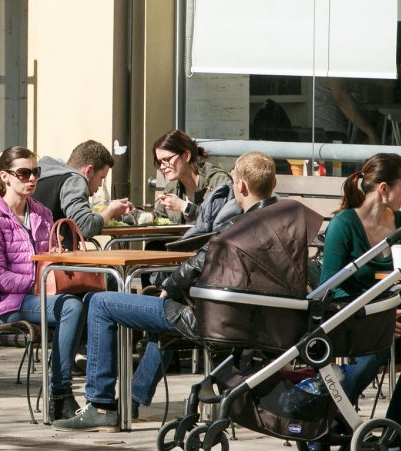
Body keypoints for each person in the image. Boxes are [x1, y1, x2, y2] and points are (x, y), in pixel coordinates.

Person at [53, 152, 277, 431]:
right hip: (256, 322)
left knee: (100, 302)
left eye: (233, 183)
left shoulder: (236, 227)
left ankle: (101, 406)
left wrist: (168, 287)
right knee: (158, 322)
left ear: (241, 187)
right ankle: (133, 398)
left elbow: (197, 264)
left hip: (211, 320)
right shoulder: (284, 222)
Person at [0, 146, 85, 420]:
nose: (31, 178)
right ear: (5, 177)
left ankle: (101, 397)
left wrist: (58, 257)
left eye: (35, 172)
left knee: (96, 302)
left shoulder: (42, 213)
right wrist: (37, 282)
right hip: (7, 302)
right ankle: (60, 393)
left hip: (43, 294)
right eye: (23, 173)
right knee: (72, 308)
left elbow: (49, 256)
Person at [319, 153, 401, 404]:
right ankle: (333, 413)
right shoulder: (344, 225)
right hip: (357, 320)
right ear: (384, 189)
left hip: (399, 321)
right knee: (377, 342)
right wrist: (377, 317)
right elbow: (330, 286)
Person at [32, 140, 134, 245]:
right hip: (55, 257)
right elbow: (86, 227)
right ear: (88, 171)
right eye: (101, 178)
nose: (100, 185)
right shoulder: (74, 180)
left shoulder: (44, 175)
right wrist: (110, 211)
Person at [152, 130, 231, 225]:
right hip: (182, 239)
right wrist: (135, 214)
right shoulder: (172, 188)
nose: (162, 167)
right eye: (159, 162)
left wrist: (185, 207)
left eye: (166, 160)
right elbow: (159, 217)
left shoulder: (217, 180)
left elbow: (225, 219)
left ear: (186, 156)